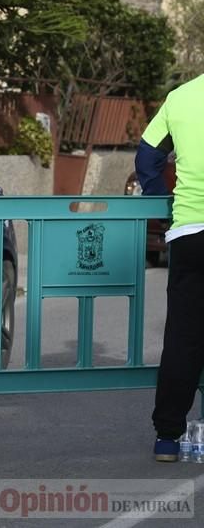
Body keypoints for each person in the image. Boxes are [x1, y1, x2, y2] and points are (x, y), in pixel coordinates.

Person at [135, 74, 204, 462]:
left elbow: (147, 156)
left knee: (182, 336)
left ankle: (168, 437)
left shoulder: (181, 97)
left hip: (190, 231)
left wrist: (162, 203)